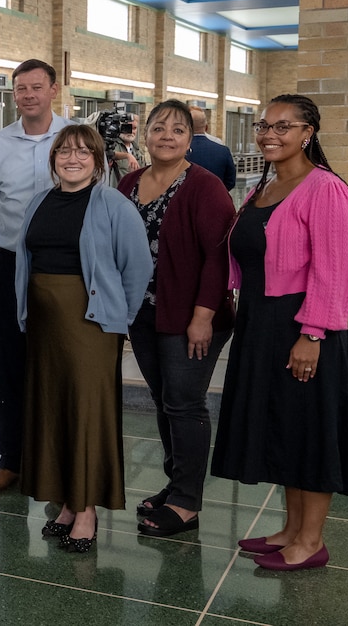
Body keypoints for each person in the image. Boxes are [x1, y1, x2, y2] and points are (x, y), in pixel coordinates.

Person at [211, 94, 348, 571]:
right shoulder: (266, 185)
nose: (269, 134)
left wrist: (312, 335)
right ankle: (291, 529)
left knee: (310, 432)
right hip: (262, 323)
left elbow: (333, 272)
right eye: (263, 126)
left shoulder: (325, 189)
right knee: (284, 428)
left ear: (307, 133)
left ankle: (311, 541)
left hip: (303, 325)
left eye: (283, 127)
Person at [16, 124, 152, 553]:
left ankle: (87, 509)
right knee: (54, 411)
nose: (71, 159)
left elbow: (138, 267)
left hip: (90, 325)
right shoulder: (40, 201)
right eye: (63, 152)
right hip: (43, 325)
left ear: (97, 161)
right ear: (53, 158)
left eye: (82, 152)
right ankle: (68, 504)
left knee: (87, 414)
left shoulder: (112, 203)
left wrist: (117, 319)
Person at [116, 100, 236, 538]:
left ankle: (187, 502)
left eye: (178, 129)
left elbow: (219, 258)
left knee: (184, 403)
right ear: (145, 135)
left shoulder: (204, 187)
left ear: (190, 138)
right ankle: (176, 483)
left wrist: (203, 316)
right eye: (159, 127)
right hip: (145, 312)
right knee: (165, 400)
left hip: (193, 316)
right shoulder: (129, 182)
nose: (167, 135)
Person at [0, 59, 70, 493]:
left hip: (63, 269)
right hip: (10, 262)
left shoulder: (73, 141)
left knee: (59, 362)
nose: (29, 95)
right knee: (11, 361)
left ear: (54, 89)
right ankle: (11, 456)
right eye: (21, 88)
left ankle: (60, 457)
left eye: (37, 87)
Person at [188, 106, 237, 191]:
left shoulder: (178, 151)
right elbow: (230, 182)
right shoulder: (223, 151)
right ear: (206, 127)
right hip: (215, 199)